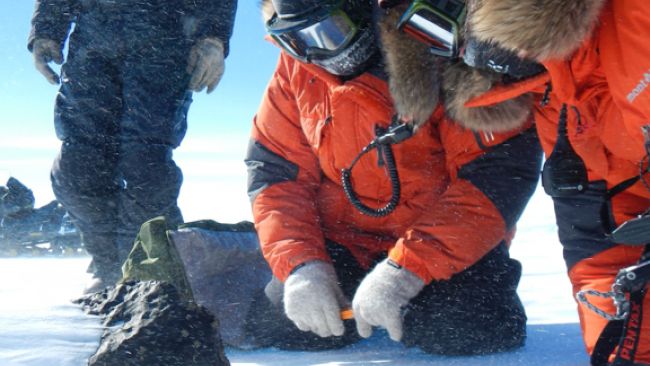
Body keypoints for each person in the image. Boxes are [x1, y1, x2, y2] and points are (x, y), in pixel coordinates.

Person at [241, 0, 542, 355]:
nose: (312, 52)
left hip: (442, 244)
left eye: (326, 33)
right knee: (287, 326)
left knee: (468, 327)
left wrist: (406, 271)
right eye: (292, 40)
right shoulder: (297, 65)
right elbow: (276, 174)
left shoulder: (439, 43)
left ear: (360, 14)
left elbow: (495, 177)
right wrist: (302, 267)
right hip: (344, 242)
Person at [385, 0, 650, 363]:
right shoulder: (552, 87)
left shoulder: (635, 18)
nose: (458, 51)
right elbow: (596, 236)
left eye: (447, 27)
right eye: (431, 37)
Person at [28, 0, 238, 292]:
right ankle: (110, 267)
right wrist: (46, 29)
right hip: (94, 37)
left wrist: (213, 37)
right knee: (78, 166)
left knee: (146, 164)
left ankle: (145, 272)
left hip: (165, 36)